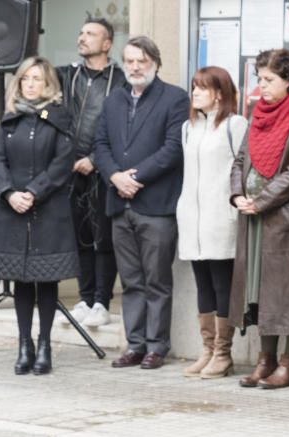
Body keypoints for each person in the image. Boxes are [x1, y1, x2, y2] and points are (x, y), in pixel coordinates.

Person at [93, 36, 187, 370]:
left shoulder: (175, 98)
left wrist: (136, 176)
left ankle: (156, 346)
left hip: (156, 205)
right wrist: (115, 177)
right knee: (131, 281)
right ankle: (135, 343)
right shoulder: (114, 100)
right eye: (130, 61)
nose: (135, 67)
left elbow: (173, 149)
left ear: (156, 64)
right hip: (119, 203)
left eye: (142, 61)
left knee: (157, 280)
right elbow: (100, 144)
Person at [229, 49, 289, 389]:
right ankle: (264, 360)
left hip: (285, 218)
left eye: (269, 80)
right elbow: (241, 161)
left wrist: (262, 201)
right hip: (253, 217)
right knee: (259, 291)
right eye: (259, 79)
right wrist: (238, 194)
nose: (261, 86)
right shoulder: (257, 115)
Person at [0, 58, 77, 375]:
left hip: (47, 209)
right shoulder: (10, 120)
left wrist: (32, 191)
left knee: (45, 279)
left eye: (37, 79)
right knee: (21, 280)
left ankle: (44, 345)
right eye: (26, 78)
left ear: (48, 85)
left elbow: (62, 161)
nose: (30, 84)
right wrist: (8, 193)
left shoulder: (58, 118)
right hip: (11, 210)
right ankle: (24, 344)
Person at [176, 66, 247, 379]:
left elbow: (243, 170)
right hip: (192, 218)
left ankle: (223, 352)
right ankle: (206, 349)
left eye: (202, 88)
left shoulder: (235, 125)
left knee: (222, 285)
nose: (195, 93)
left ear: (219, 92)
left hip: (221, 218)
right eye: (194, 87)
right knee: (202, 284)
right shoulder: (188, 128)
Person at [56, 18, 120, 328]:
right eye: (81, 32)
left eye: (90, 34)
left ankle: (102, 301)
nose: (82, 38)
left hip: (103, 170)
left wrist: (95, 158)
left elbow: (123, 128)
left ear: (107, 44)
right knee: (79, 237)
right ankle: (84, 297)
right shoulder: (68, 76)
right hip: (70, 169)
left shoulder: (119, 80)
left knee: (102, 238)